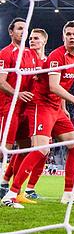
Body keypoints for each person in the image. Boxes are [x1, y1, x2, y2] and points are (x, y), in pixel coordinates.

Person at [1, 21, 74, 207]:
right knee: (40, 149)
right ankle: (10, 194)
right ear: (63, 37)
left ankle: (68, 195)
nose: (72, 37)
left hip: (56, 108)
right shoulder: (57, 56)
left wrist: (64, 106)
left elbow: (64, 85)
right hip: (41, 106)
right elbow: (53, 86)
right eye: (68, 34)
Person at [0, 17, 39, 208]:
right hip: (9, 108)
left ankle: (13, 191)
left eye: (26, 29)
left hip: (27, 110)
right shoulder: (6, 53)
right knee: (3, 150)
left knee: (26, 148)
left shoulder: (31, 54)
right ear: (11, 32)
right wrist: (18, 93)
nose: (24, 32)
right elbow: (1, 81)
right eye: (20, 29)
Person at [7, 28, 49, 203]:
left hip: (40, 108)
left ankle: (25, 189)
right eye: (30, 38)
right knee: (21, 148)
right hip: (20, 107)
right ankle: (8, 186)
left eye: (36, 38)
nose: (32, 41)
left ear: (44, 41)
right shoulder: (24, 56)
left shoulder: (47, 61)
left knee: (32, 148)